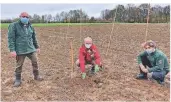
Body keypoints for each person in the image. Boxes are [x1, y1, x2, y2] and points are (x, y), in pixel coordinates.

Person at [8, 12, 43, 87]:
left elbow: (33, 38)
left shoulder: (30, 26)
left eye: (27, 17)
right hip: (20, 49)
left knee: (35, 61)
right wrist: (12, 50)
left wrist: (37, 47)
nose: (25, 18)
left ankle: (36, 76)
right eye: (23, 16)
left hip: (30, 48)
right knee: (19, 65)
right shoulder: (14, 26)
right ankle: (18, 80)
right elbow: (11, 38)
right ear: (20, 17)